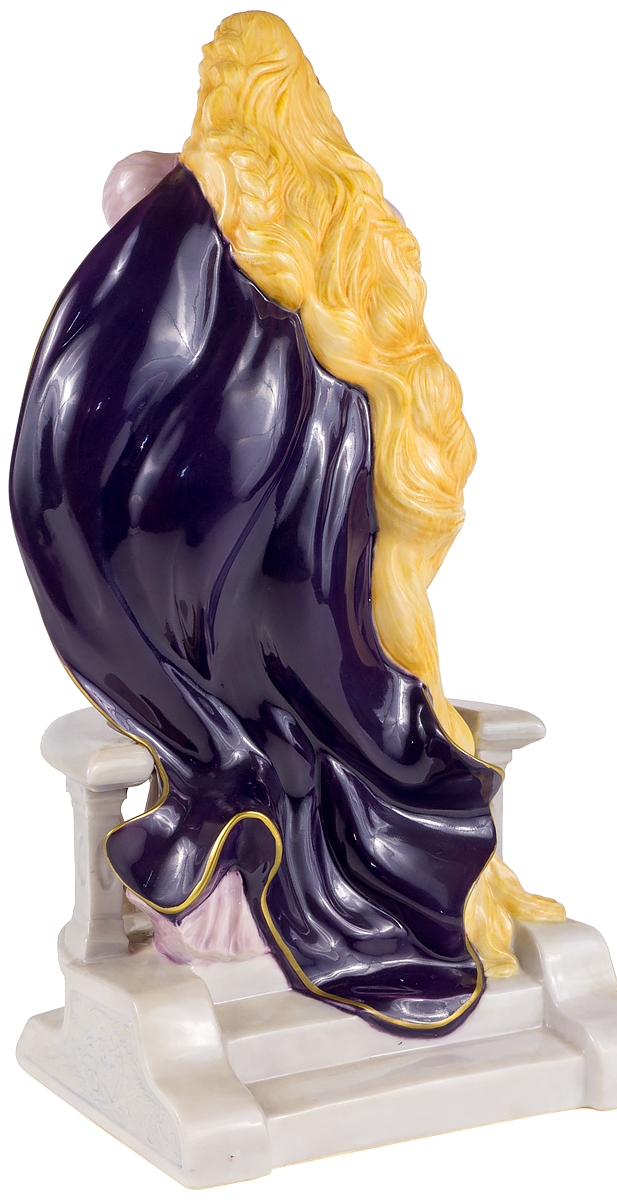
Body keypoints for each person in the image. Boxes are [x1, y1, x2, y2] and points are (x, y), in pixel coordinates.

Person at [10, 11, 561, 1036]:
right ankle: (272, 888)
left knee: (273, 693)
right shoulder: (339, 208)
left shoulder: (182, 193)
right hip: (289, 533)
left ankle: (254, 891)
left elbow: (111, 359)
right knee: (301, 688)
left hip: (265, 530)